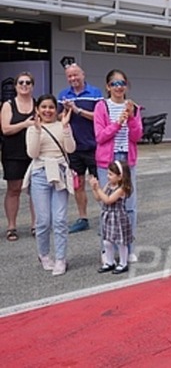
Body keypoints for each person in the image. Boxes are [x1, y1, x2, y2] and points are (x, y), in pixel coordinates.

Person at [93, 69, 143, 262]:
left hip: (127, 160)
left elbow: (137, 136)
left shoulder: (133, 107)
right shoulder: (101, 107)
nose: (119, 87)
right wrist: (117, 123)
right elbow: (100, 136)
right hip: (108, 159)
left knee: (129, 206)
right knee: (107, 205)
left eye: (122, 83)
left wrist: (130, 118)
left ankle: (128, 249)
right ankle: (107, 251)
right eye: (114, 83)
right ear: (108, 87)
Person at [24, 94, 76, 276]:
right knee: (43, 220)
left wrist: (66, 127)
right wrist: (38, 130)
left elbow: (71, 149)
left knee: (60, 219)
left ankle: (61, 258)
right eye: (43, 107)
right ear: (37, 110)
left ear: (56, 109)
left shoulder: (62, 126)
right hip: (40, 173)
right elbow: (32, 153)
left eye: (51, 107)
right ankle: (44, 255)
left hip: (60, 173)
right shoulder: (32, 129)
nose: (47, 110)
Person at [57, 63, 103, 233]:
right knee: (78, 184)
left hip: (93, 146)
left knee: (99, 183)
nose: (73, 78)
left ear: (83, 74)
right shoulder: (63, 95)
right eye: (69, 76)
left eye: (76, 75)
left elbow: (100, 117)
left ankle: (106, 217)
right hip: (73, 148)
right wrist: (66, 110)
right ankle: (83, 218)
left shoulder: (95, 93)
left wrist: (77, 110)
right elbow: (58, 117)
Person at [1, 72, 36, 241]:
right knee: (14, 189)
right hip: (13, 153)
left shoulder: (37, 104)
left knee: (35, 190)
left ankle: (36, 225)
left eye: (28, 82)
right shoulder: (8, 105)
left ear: (32, 86)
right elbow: (5, 129)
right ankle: (11, 227)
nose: (24, 85)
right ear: (15, 86)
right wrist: (25, 124)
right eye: (21, 82)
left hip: (34, 153)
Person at [89, 160, 134, 275]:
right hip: (108, 216)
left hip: (118, 216)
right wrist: (94, 188)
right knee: (107, 241)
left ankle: (123, 263)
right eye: (108, 173)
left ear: (120, 177)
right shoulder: (109, 185)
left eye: (110, 174)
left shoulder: (121, 189)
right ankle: (109, 262)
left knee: (120, 242)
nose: (108, 176)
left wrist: (98, 189)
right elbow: (99, 198)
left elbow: (108, 200)